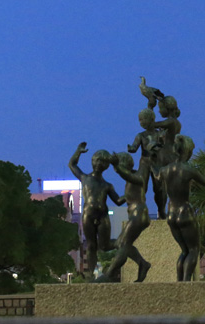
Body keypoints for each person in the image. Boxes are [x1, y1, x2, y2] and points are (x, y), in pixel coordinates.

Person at [159, 134, 205, 281]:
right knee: (194, 250)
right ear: (187, 151)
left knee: (184, 250)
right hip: (184, 212)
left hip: (171, 212)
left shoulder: (164, 170)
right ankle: (186, 282)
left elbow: (157, 179)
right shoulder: (188, 170)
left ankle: (179, 281)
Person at [68, 142, 124, 278]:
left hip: (103, 215)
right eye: (97, 160)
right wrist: (78, 151)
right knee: (91, 245)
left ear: (106, 166)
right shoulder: (85, 178)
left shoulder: (107, 185)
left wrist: (131, 192)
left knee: (104, 246)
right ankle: (91, 274)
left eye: (103, 162)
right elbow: (72, 165)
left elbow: (118, 201)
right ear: (93, 161)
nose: (99, 164)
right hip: (88, 214)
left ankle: (123, 245)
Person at [99, 152, 151, 282]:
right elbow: (121, 199)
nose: (116, 170)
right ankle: (142, 263)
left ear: (124, 164)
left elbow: (128, 176)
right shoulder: (130, 179)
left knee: (122, 243)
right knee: (120, 243)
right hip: (135, 215)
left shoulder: (136, 176)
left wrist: (118, 168)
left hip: (139, 214)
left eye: (118, 165)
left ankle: (109, 274)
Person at [149, 96, 182, 219]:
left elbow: (151, 125)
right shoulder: (172, 122)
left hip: (166, 157)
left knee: (162, 187)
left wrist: (150, 107)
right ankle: (161, 211)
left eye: (160, 108)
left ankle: (163, 212)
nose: (159, 111)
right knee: (160, 189)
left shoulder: (171, 122)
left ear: (167, 108)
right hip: (167, 155)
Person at [127, 108, 160, 193]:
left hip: (157, 161)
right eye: (140, 120)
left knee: (158, 186)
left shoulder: (159, 134)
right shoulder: (141, 135)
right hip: (144, 162)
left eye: (143, 119)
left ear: (152, 119)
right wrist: (131, 148)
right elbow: (134, 147)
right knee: (142, 184)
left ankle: (161, 206)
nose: (141, 122)